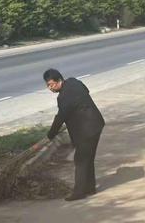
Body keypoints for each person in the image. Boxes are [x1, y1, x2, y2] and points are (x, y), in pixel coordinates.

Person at [43, 69, 105, 201]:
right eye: (47, 85)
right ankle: (90, 188)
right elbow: (86, 91)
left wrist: (51, 134)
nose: (50, 88)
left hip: (86, 130)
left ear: (59, 80)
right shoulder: (73, 81)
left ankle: (79, 192)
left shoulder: (63, 98)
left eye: (51, 85)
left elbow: (60, 117)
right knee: (88, 157)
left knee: (80, 160)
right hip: (96, 124)